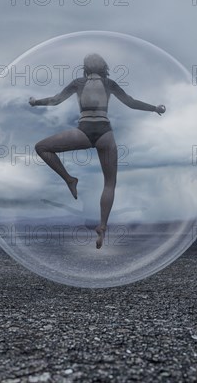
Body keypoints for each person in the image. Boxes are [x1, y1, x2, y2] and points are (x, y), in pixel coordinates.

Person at [30, 53, 166, 249]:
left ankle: (69, 179)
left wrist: (36, 102)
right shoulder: (109, 84)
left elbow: (56, 100)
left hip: (84, 131)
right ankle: (102, 225)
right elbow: (130, 102)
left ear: (85, 67)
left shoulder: (78, 83)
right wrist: (155, 108)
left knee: (41, 147)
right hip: (105, 133)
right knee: (109, 184)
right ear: (104, 67)